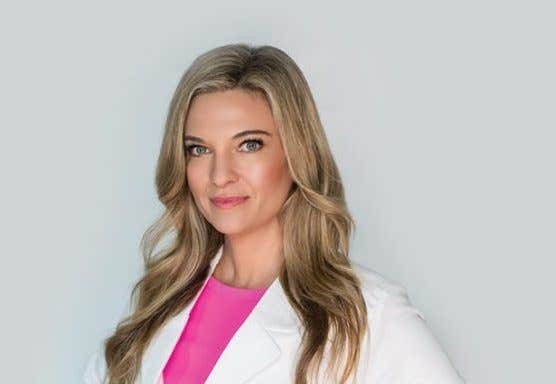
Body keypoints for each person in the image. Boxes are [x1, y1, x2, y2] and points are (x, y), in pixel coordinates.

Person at [83, 43, 465, 384]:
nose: (220, 175)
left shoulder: (369, 318)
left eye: (249, 145)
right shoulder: (157, 303)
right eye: (199, 149)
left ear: (295, 153)